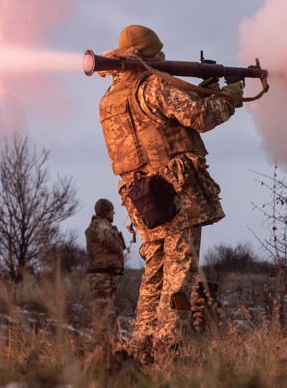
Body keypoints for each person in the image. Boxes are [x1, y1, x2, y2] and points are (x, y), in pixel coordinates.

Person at [94, 24, 244, 356]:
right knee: (180, 273)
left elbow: (156, 127)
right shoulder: (154, 86)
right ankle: (169, 347)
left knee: (155, 272)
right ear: (151, 53)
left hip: (140, 197)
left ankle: (141, 345)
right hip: (175, 192)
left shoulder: (109, 99)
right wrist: (231, 96)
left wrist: (201, 90)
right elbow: (201, 117)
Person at [84, 198, 126, 351]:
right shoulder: (101, 226)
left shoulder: (100, 225)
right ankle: (100, 348)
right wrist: (117, 242)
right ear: (106, 211)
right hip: (101, 275)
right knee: (101, 313)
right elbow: (112, 244)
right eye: (111, 210)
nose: (114, 212)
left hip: (104, 274)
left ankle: (104, 346)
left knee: (103, 312)